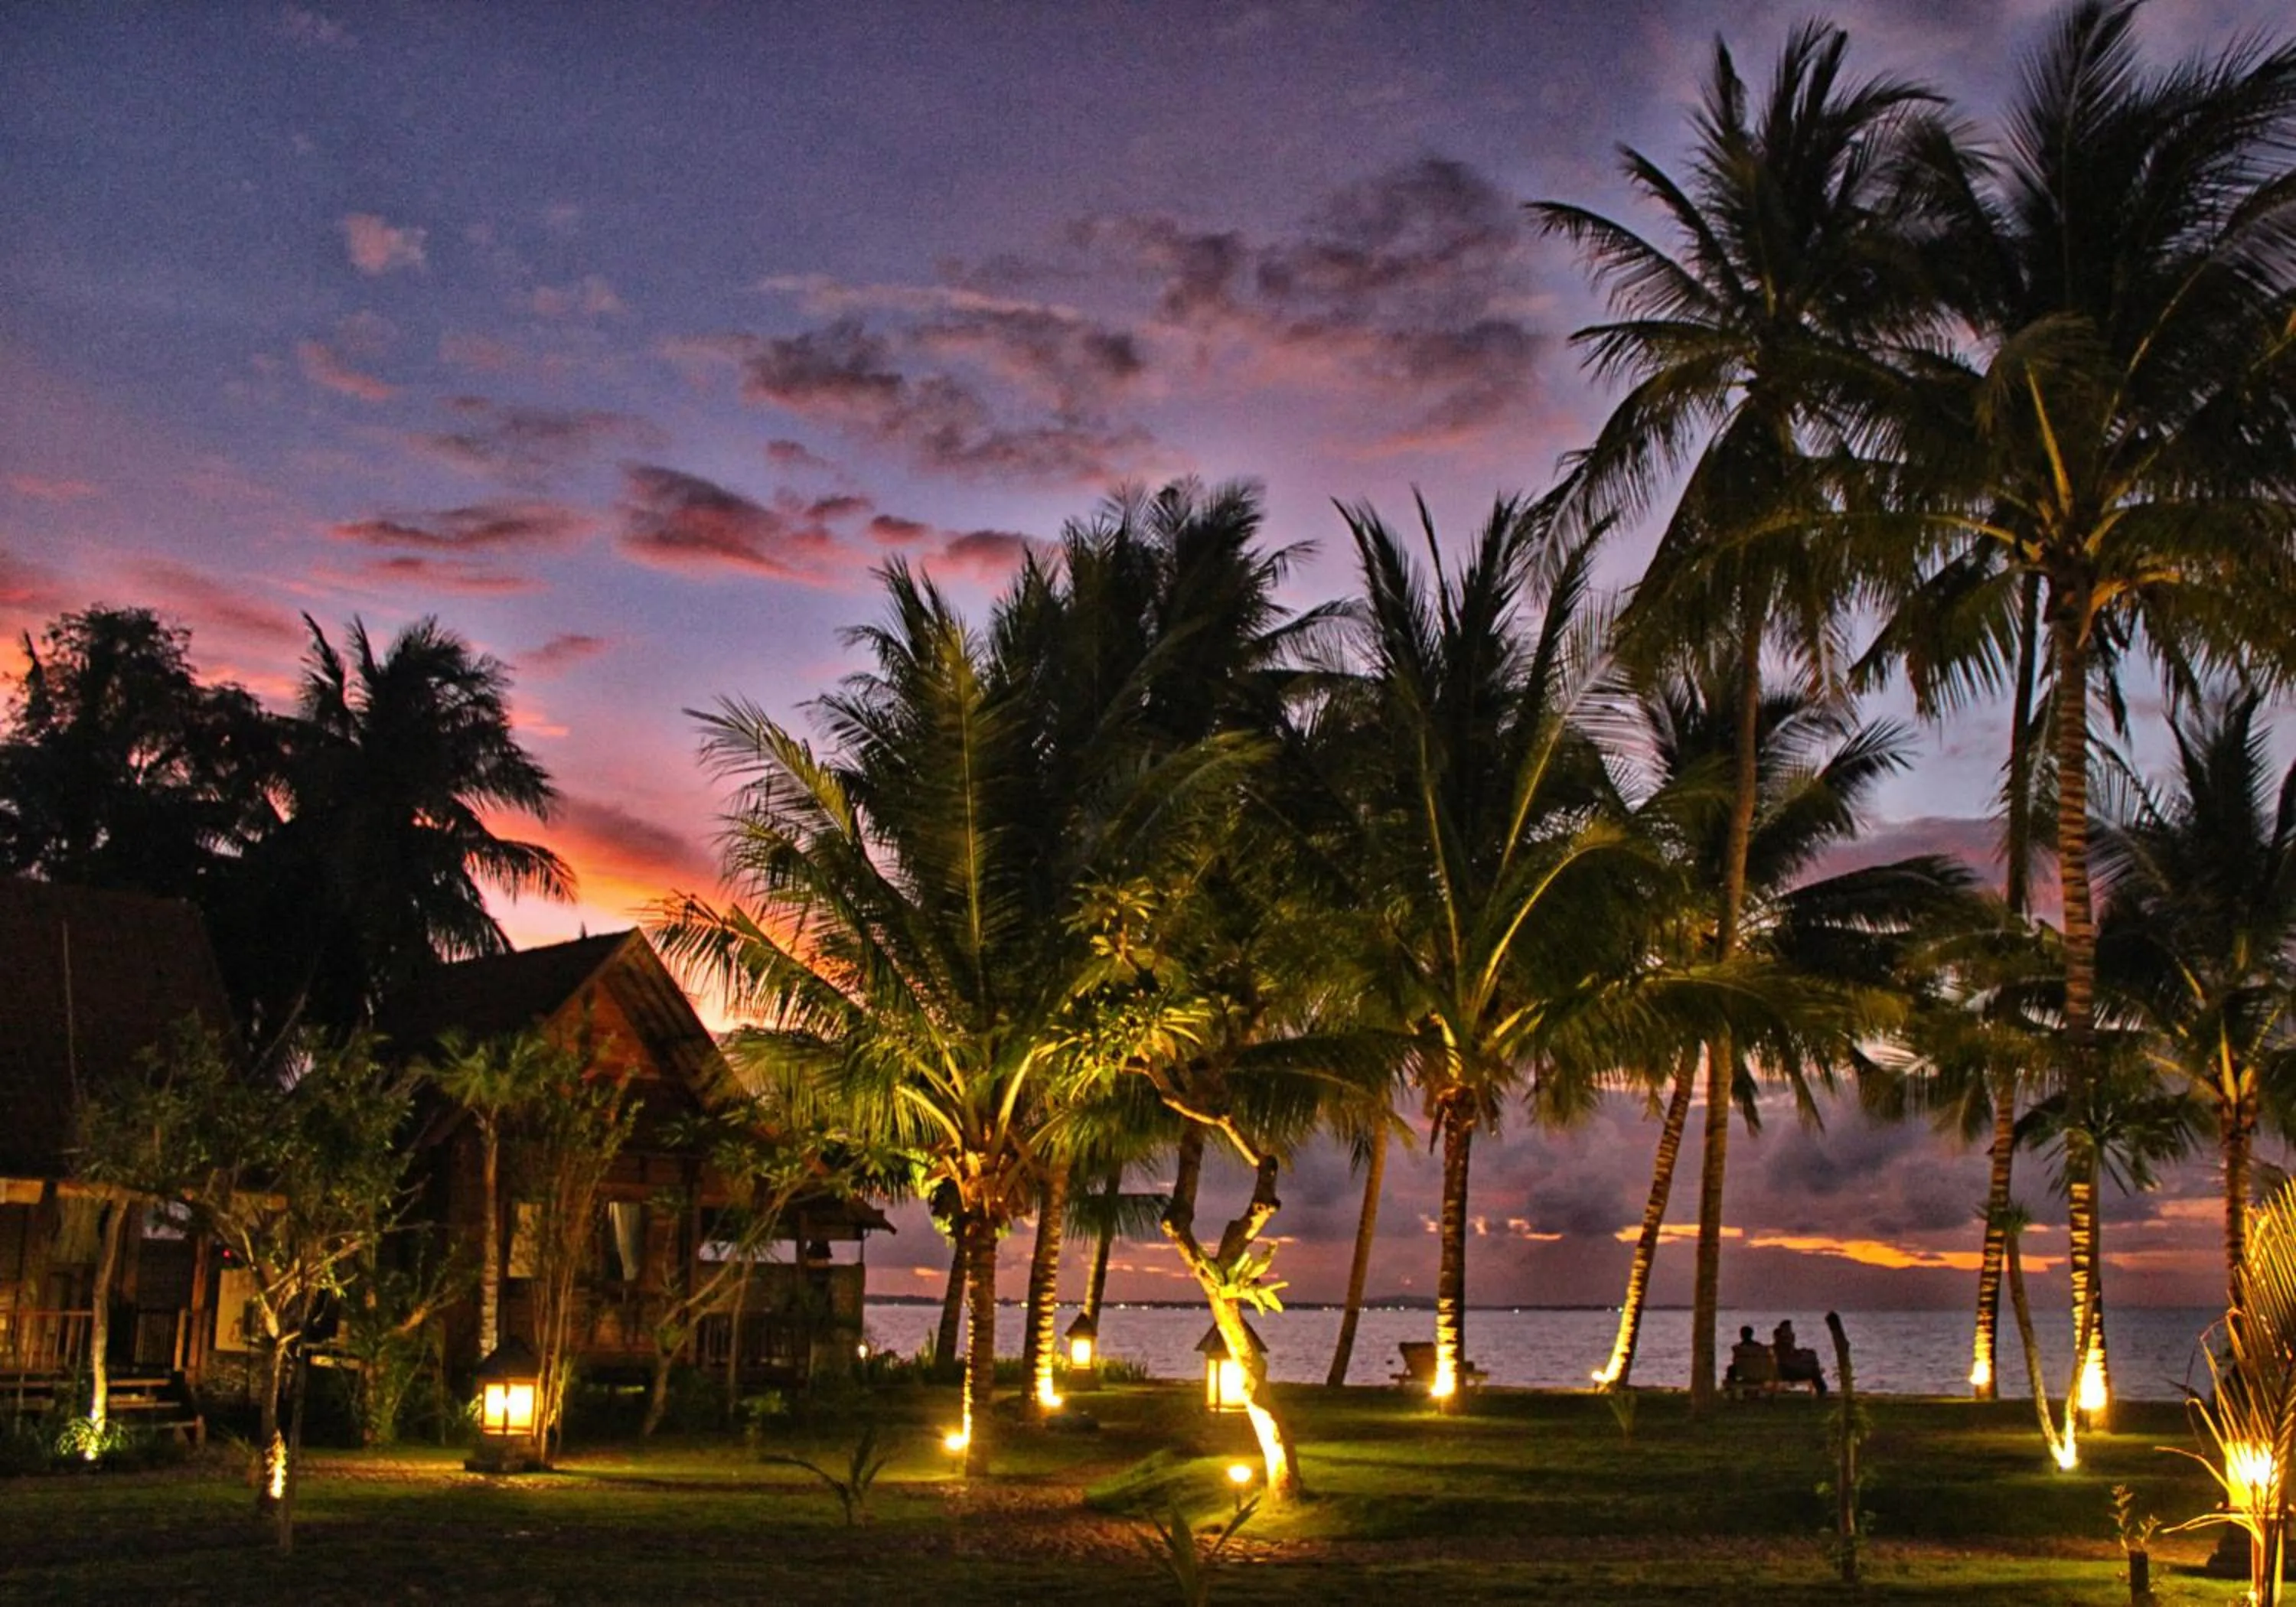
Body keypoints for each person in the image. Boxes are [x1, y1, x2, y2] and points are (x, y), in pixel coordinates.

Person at [1727, 1324, 1774, 1390]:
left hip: (1743, 1372)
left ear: (1741, 1335)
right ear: (1752, 1334)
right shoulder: (1759, 1347)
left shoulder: (1738, 1349)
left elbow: (1735, 1361)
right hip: (1758, 1372)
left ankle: (1730, 1390)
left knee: (1730, 1368)